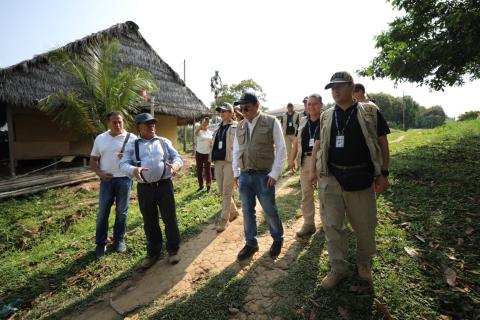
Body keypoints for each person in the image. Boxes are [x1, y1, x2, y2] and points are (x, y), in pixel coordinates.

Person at [309, 71, 390, 289]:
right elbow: (318, 143)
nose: (335, 91)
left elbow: (382, 142)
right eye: (332, 88)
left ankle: (364, 264)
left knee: (364, 225)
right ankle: (338, 269)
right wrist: (313, 172)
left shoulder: (370, 111)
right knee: (332, 225)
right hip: (332, 177)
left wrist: (383, 172)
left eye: (340, 86)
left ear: (352, 86)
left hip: (361, 177)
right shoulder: (327, 115)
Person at [119, 113, 183, 269]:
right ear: (138, 127)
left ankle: (173, 250)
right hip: (145, 189)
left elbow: (177, 157)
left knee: (170, 218)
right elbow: (123, 164)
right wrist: (134, 169)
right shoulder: (132, 145)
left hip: (164, 186)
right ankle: (153, 253)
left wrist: (176, 165)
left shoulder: (163, 141)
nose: (151, 126)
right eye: (147, 124)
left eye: (153, 123)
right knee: (149, 221)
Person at [232, 91, 287, 260]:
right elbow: (236, 150)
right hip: (245, 176)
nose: (244, 112)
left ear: (257, 106)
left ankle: (277, 239)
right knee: (248, 211)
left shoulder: (271, 122)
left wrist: (275, 173)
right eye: (241, 109)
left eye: (246, 108)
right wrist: (236, 173)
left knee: (269, 210)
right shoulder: (240, 126)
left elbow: (281, 148)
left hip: (264, 175)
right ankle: (251, 243)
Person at [90, 111, 136, 260]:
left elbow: (139, 160)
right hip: (106, 181)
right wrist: (100, 174)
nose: (118, 124)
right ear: (108, 123)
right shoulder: (100, 138)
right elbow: (93, 161)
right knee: (103, 212)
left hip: (125, 179)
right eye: (114, 122)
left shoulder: (132, 138)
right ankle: (100, 243)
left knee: (122, 211)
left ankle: (119, 240)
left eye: (120, 121)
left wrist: (129, 159)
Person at [288, 94, 323, 238]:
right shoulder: (303, 121)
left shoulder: (326, 120)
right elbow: (296, 141)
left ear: (321, 105)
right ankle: (309, 224)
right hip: (305, 160)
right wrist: (291, 160)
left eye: (314, 104)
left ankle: (326, 224)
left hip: (322, 161)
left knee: (325, 195)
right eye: (309, 104)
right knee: (306, 194)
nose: (311, 107)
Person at [210, 103, 239, 232]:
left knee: (227, 191)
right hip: (217, 161)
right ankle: (233, 211)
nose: (222, 114)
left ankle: (224, 219)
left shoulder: (237, 127)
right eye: (220, 112)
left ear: (231, 113)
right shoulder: (217, 129)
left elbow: (241, 146)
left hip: (230, 161)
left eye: (225, 111)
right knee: (222, 190)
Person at [195, 117, 213, 191]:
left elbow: (212, 142)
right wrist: (201, 125)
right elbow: (195, 133)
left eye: (206, 122)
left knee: (207, 170)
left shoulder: (210, 132)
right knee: (199, 170)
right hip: (199, 153)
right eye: (203, 122)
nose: (205, 123)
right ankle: (201, 185)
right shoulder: (199, 131)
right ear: (201, 123)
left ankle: (208, 186)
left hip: (207, 154)